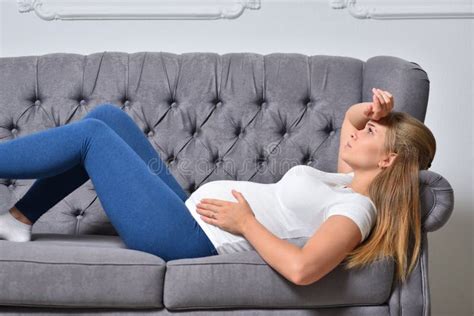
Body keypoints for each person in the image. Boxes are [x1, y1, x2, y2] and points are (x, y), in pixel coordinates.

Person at [0, 87, 435, 286]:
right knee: (108, 119)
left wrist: (246, 223)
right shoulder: (346, 181)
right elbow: (350, 122)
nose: (360, 132)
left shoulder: (357, 210)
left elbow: (305, 271)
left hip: (186, 239)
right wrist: (376, 113)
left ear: (388, 160)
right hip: (185, 212)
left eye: (373, 134)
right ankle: (19, 218)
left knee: (91, 138)